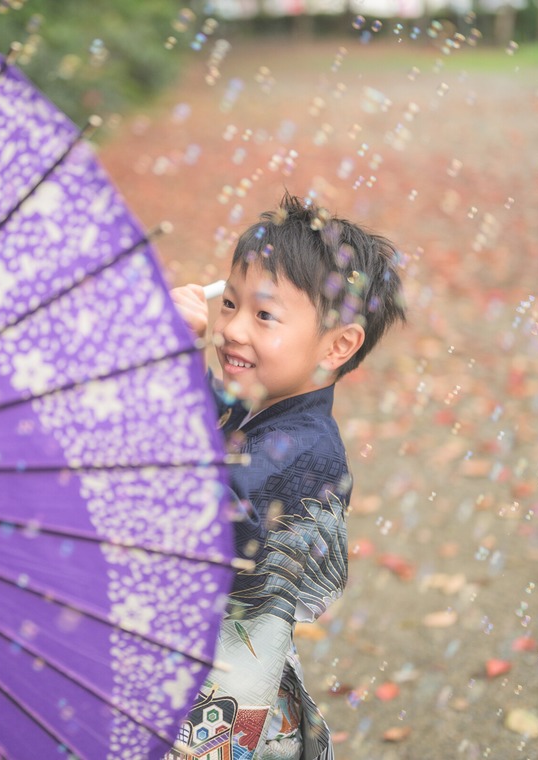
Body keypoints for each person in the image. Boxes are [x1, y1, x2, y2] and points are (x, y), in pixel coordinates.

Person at [168, 192, 406, 760]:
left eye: (264, 314)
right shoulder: (248, 400)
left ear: (337, 346)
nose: (231, 328)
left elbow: (217, 519)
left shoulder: (306, 450)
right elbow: (195, 431)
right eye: (228, 303)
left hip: (220, 698)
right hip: (191, 654)